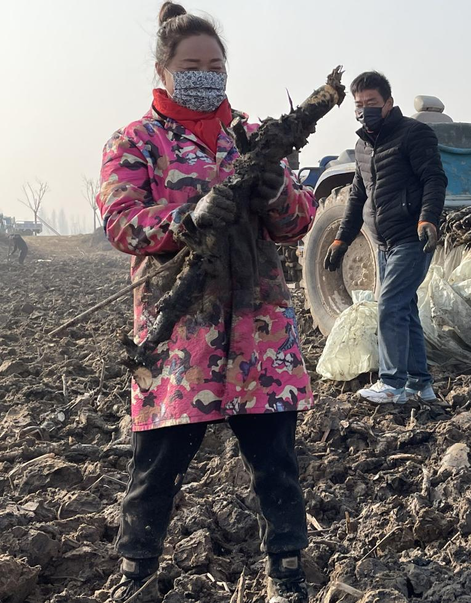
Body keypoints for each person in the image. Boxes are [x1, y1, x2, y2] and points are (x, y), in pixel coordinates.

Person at [96, 3, 316, 601]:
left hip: (260, 324)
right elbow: (121, 221)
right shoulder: (136, 141)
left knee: (275, 458)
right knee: (159, 460)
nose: (205, 76)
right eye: (191, 67)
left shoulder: (255, 136)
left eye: (215, 66)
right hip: (180, 329)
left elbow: (299, 221)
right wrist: (185, 218)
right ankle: (137, 574)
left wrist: (278, 193)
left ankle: (286, 573)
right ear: (163, 70)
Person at [324, 72, 447, 405]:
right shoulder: (363, 146)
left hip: (411, 236)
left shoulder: (414, 134)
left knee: (390, 305)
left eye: (372, 103)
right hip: (383, 242)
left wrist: (428, 218)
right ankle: (420, 385)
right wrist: (341, 240)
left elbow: (434, 179)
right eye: (359, 104)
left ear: (389, 103)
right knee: (404, 308)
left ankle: (392, 383)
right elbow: (357, 195)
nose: (365, 110)